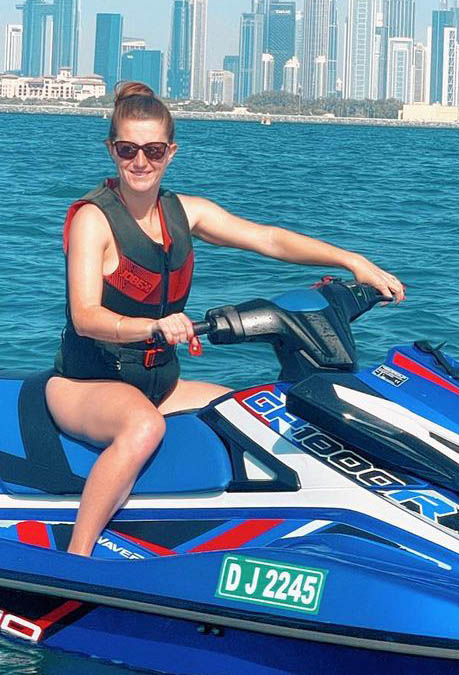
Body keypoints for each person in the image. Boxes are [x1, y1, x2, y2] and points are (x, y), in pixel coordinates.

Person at [46, 81, 406, 556]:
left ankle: (235, 541)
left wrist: (351, 260)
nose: (140, 162)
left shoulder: (186, 213)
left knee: (252, 413)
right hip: (85, 384)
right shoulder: (95, 219)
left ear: (170, 152)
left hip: (160, 383)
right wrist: (153, 326)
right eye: (128, 149)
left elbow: (269, 239)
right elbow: (87, 316)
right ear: (111, 149)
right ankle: (78, 557)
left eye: (153, 150)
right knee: (143, 428)